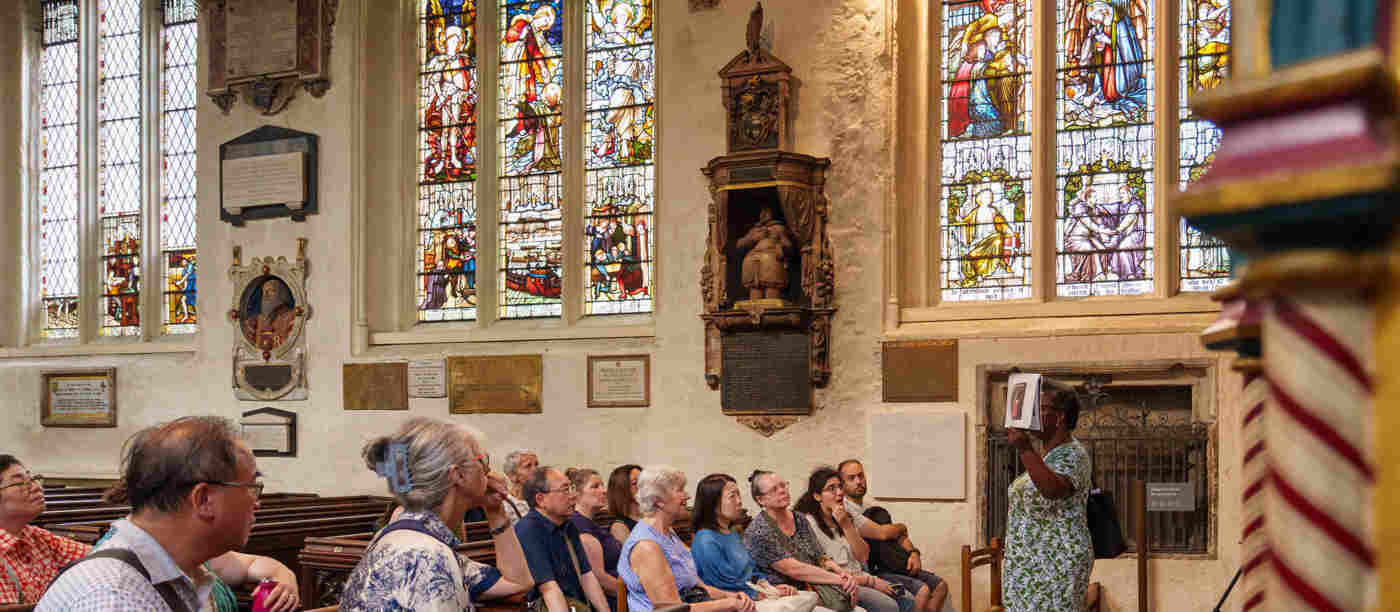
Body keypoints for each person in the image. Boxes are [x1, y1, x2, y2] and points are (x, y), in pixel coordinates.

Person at [37, 417, 284, 612]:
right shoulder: (116, 597)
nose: (257, 503)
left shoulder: (176, 570)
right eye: (251, 487)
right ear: (204, 500)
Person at [339, 418, 532, 611]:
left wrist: (495, 512)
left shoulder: (419, 540)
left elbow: (517, 583)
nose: (489, 471)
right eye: (482, 461)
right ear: (458, 475)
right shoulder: (425, 555)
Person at [1002, 389, 1094, 612]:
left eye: (1039, 409)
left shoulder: (1073, 454)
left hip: (1055, 563)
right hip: (1029, 564)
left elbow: (1052, 490)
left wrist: (1024, 448)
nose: (1031, 417)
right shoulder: (1048, 457)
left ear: (1060, 416)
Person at [619, 467, 757, 612]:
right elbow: (673, 610)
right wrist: (729, 604)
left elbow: (698, 588)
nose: (687, 496)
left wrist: (733, 597)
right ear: (658, 500)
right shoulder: (647, 546)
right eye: (680, 490)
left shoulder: (667, 532)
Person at [793, 468, 913, 612]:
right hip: (840, 585)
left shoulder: (845, 516)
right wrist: (872, 582)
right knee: (889, 606)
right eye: (831, 489)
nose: (839, 493)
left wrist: (846, 524)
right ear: (817, 496)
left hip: (862, 577)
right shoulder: (809, 523)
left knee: (908, 599)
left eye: (839, 487)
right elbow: (825, 570)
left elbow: (863, 557)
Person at [837, 461, 950, 612]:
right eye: (851, 478)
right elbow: (883, 533)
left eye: (860, 476)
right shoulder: (846, 510)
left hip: (895, 563)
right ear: (842, 485)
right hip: (875, 569)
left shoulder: (871, 507)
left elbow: (898, 535)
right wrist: (902, 526)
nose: (858, 481)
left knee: (941, 586)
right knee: (922, 592)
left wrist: (913, 553)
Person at [692, 474, 819, 609]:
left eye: (739, 495)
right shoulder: (705, 541)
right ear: (713, 503)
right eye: (732, 496)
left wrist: (770, 587)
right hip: (737, 604)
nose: (739, 501)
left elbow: (751, 572)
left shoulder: (732, 534)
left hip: (755, 595)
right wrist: (764, 594)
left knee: (809, 598)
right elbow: (724, 586)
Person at [742, 471, 862, 611]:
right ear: (761, 500)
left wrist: (843, 574)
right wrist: (839, 580)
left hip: (814, 588)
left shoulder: (799, 518)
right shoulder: (759, 530)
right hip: (787, 596)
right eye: (774, 489)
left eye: (783, 485)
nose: (782, 491)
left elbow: (820, 556)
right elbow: (794, 569)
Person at [515, 467, 613, 612]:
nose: (573, 495)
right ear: (541, 499)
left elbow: (587, 576)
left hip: (575, 605)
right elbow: (549, 589)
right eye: (565, 490)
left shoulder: (568, 524)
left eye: (571, 488)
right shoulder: (528, 530)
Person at [0, 457, 87, 605]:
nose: (36, 487)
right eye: (21, 483)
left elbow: (98, 554)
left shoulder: (36, 536)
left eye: (33, 479)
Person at [569, 468, 624, 611]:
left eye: (602, 486)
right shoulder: (579, 526)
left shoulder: (593, 523)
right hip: (613, 601)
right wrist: (633, 593)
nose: (603, 491)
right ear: (576, 494)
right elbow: (600, 579)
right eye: (595, 487)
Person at [735, 208, 793, 301]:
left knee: (771, 289)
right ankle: (753, 309)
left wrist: (780, 249)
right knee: (754, 290)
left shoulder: (778, 228)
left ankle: (773, 312)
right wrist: (753, 238)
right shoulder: (754, 230)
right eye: (761, 212)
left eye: (766, 212)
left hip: (770, 260)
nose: (763, 215)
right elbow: (739, 245)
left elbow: (788, 245)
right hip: (752, 260)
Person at [240, 278, 297, 351]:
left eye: (271, 291)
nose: (265, 295)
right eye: (264, 292)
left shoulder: (292, 318)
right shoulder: (255, 321)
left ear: (282, 295)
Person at [608, 464, 644, 543]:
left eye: (644, 481)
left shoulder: (653, 517)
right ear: (622, 490)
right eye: (635, 483)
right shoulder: (619, 526)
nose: (643, 486)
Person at [504, 449, 540, 522]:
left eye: (536, 465)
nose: (536, 470)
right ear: (512, 475)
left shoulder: (543, 499)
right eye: (528, 466)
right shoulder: (505, 506)